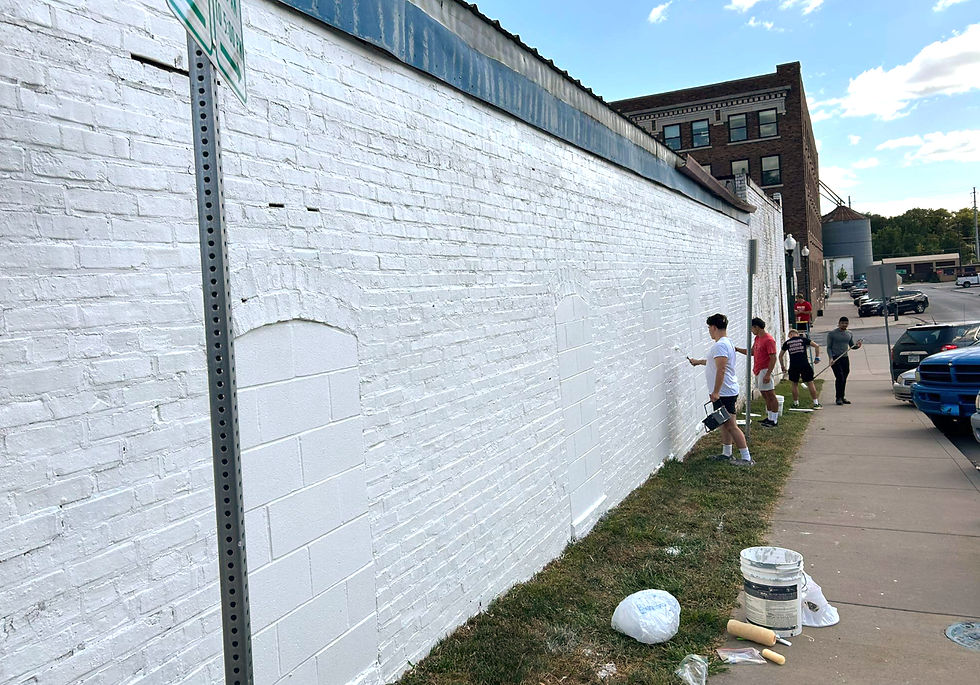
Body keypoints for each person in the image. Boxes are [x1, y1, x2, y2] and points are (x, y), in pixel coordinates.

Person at [687, 313, 754, 466]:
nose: (709, 331)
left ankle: (746, 458)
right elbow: (713, 363)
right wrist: (697, 362)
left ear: (714, 327)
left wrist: (716, 392)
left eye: (709, 328)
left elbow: (721, 369)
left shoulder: (721, 345)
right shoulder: (726, 343)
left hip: (724, 393)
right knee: (724, 423)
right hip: (725, 391)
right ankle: (726, 453)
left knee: (731, 425)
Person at [735, 318, 780, 427]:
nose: (751, 330)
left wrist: (768, 374)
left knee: (771, 395)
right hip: (758, 369)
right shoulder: (757, 339)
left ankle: (774, 420)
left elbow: (773, 357)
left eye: (752, 328)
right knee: (765, 394)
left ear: (756, 327)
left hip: (765, 369)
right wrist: (736, 349)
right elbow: (751, 352)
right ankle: (769, 417)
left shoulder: (768, 340)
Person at [780, 329, 822, 408]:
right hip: (804, 364)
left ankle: (796, 403)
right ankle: (816, 403)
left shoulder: (787, 343)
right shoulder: (803, 340)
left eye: (789, 336)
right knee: (810, 383)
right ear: (797, 334)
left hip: (793, 365)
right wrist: (817, 357)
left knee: (794, 384)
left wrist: (782, 366)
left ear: (791, 334)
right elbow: (817, 345)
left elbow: (780, 356)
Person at [826, 316, 863, 405]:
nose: (844, 325)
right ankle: (838, 398)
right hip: (835, 358)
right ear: (839, 323)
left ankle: (842, 397)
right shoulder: (832, 334)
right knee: (840, 377)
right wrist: (830, 358)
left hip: (845, 358)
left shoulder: (849, 333)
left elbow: (852, 346)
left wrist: (858, 345)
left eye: (846, 323)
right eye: (842, 323)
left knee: (844, 378)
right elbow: (829, 347)